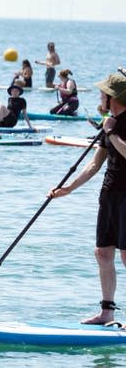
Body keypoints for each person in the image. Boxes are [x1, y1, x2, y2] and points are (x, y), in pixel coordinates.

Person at [49, 72, 126, 325]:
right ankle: (107, 312)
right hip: (109, 193)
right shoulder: (110, 122)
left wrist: (113, 134)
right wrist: (68, 189)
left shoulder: (115, 125)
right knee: (102, 253)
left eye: (104, 92)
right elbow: (94, 164)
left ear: (113, 96)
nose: (100, 96)